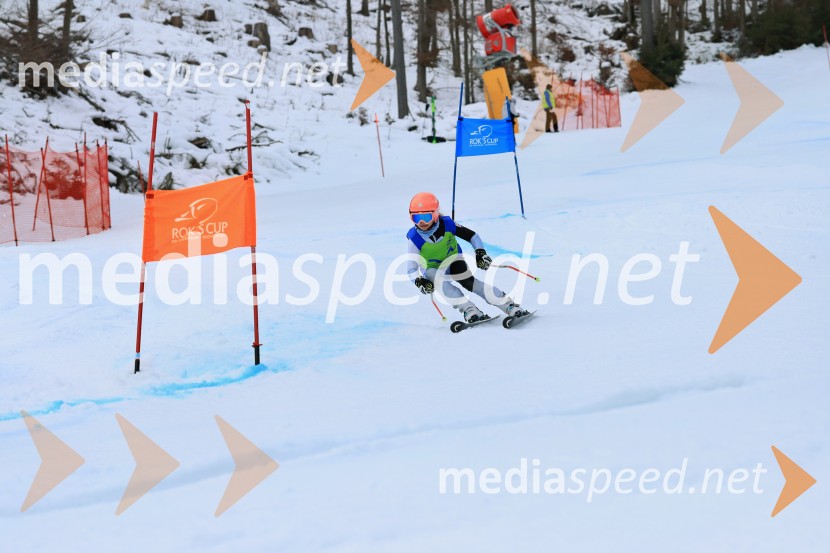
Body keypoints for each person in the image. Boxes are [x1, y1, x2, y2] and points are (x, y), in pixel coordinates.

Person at [405, 192, 524, 323]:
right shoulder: (414, 238)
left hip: (453, 259)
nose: (421, 223)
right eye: (416, 218)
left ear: (435, 214)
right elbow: (411, 269)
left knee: (468, 282)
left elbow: (472, 236)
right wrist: (419, 281)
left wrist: (480, 253)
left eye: (426, 217)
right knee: (438, 280)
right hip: (432, 267)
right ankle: (469, 310)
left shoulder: (447, 225)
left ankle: (508, 305)